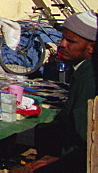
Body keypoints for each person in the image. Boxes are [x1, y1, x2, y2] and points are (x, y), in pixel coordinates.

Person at [31, 10, 96, 171]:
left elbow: (85, 137)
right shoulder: (82, 70)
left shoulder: (89, 77)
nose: (62, 44)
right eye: (63, 38)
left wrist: (60, 159)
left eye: (71, 41)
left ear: (91, 48)